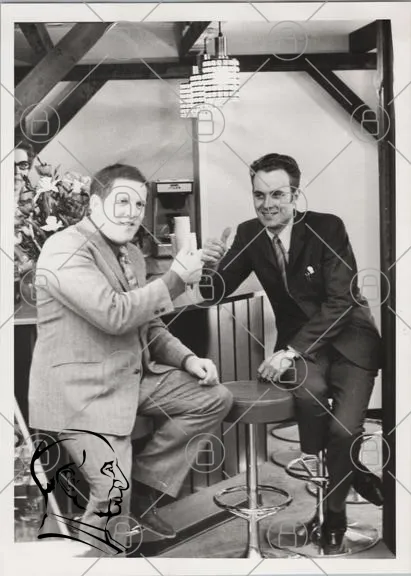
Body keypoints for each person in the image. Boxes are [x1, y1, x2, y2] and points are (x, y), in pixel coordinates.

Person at [29, 163, 233, 546]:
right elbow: (114, 314)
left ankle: (145, 489)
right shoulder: (65, 248)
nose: (132, 212)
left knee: (213, 397)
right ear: (94, 204)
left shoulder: (132, 254)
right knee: (112, 495)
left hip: (129, 379)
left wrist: (189, 360)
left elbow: (149, 326)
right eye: (122, 201)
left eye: (139, 204)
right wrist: (175, 279)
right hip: (83, 395)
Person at [201, 153, 383, 555]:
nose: (267, 204)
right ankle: (349, 469)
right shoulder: (250, 233)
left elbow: (340, 302)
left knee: (344, 431)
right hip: (302, 350)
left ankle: (334, 516)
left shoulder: (327, 227)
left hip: (349, 340)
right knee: (310, 398)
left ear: (295, 195)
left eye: (277, 194)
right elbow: (214, 293)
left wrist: (289, 351)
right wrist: (208, 267)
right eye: (259, 195)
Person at [30, 431, 134, 556]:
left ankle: (110, 559)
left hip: (122, 423)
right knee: (112, 490)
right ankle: (92, 560)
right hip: (84, 423)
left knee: (120, 493)